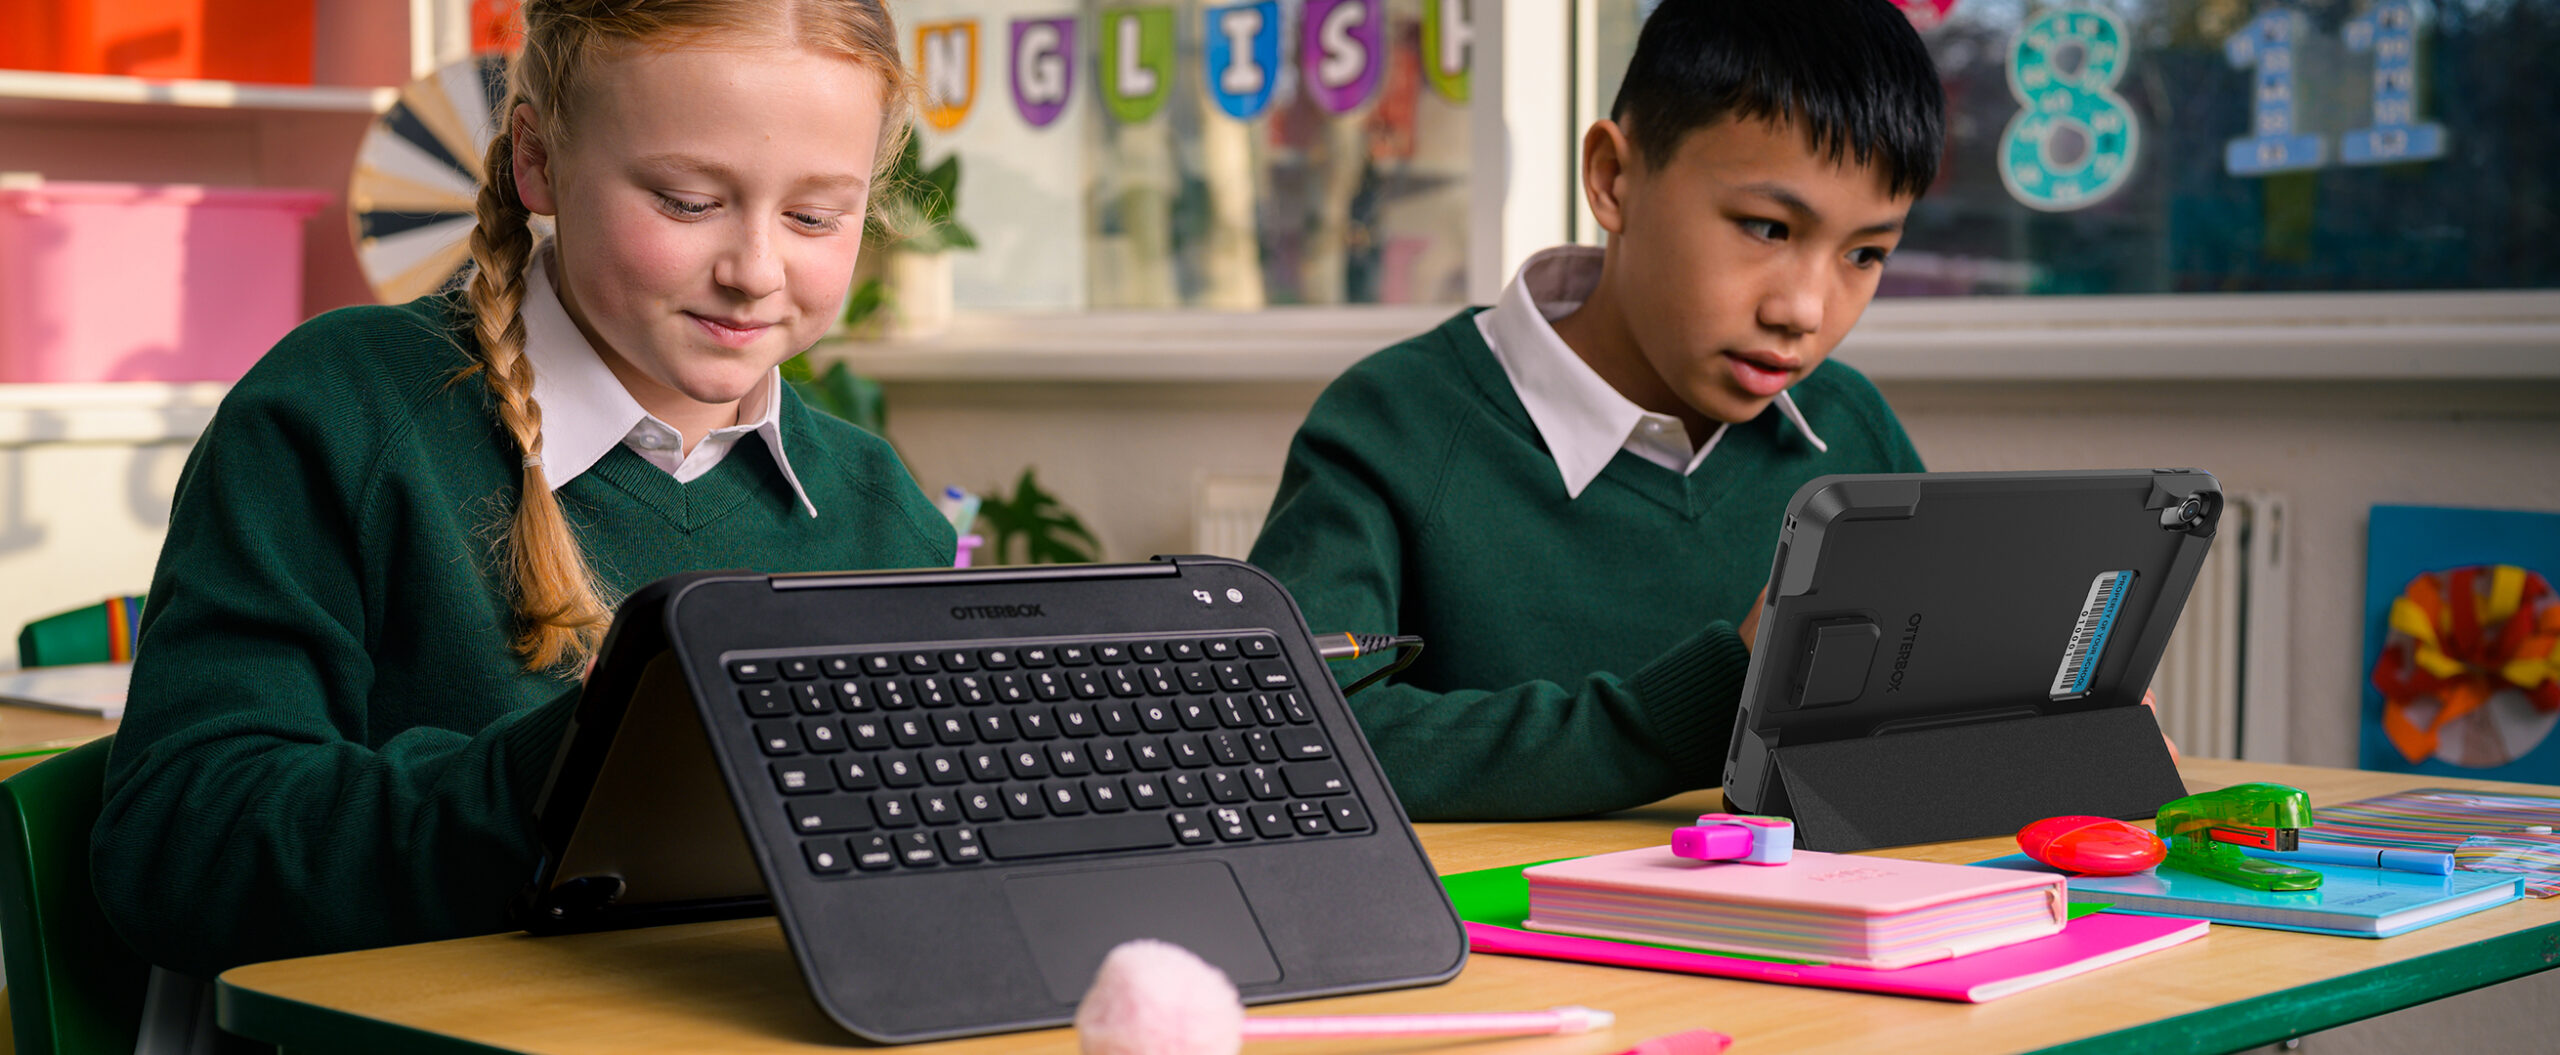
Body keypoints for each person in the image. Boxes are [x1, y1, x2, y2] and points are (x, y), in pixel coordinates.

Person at [92, 0, 951, 979]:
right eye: (683, 199)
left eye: (812, 216)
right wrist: (576, 765)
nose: (754, 270)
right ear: (536, 160)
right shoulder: (339, 412)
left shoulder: (875, 500)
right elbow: (176, 850)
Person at [1249, 0, 1943, 819]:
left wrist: (2051, 720)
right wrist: (1711, 699)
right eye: (1765, 226)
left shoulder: (1850, 427)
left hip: (1788, 935)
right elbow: (1287, 730)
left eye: (1865, 254)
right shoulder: (1395, 423)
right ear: (1614, 180)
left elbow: (1915, 741)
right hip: (1500, 937)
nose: (1804, 309)